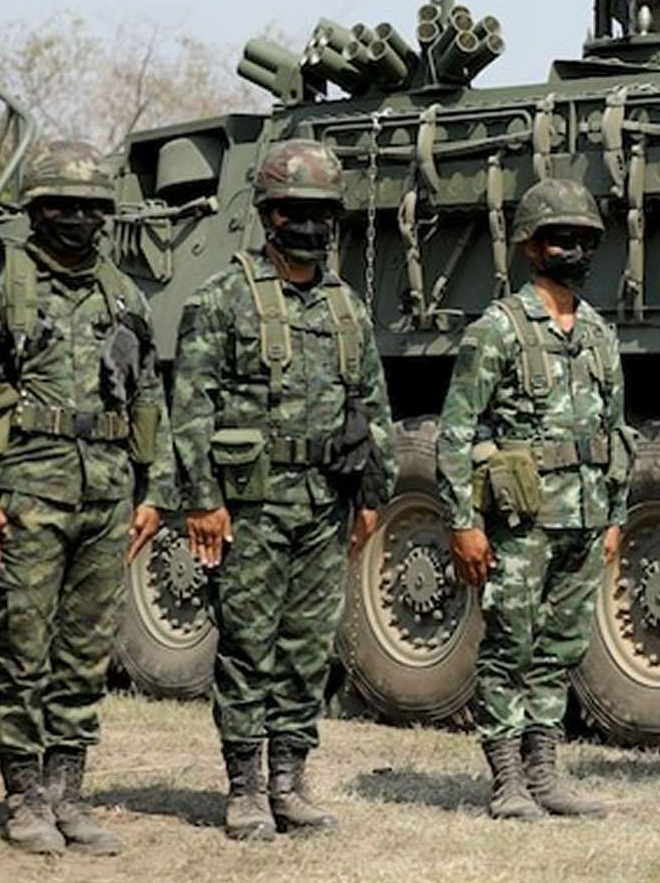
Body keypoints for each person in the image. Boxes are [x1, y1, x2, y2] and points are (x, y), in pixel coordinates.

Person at [0, 139, 174, 855]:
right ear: (36, 211)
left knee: (85, 653)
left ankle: (68, 792)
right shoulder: (4, 287)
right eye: (61, 206)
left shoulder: (122, 293)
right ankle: (24, 796)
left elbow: (149, 391)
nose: (77, 218)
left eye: (90, 207)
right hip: (25, 496)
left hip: (105, 497)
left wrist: (153, 488)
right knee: (24, 648)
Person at [168, 138, 392, 841]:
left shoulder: (347, 307)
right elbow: (192, 407)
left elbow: (374, 407)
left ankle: (290, 781)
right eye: (297, 211)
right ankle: (245, 788)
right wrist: (203, 501)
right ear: (269, 215)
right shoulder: (223, 298)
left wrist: (371, 496)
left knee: (305, 649)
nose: (312, 225)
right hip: (252, 510)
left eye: (323, 213)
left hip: (325, 507)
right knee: (248, 647)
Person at [437, 178, 633, 822]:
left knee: (560, 647)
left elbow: (617, 434)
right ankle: (507, 781)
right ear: (531, 247)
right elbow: (457, 430)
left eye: (583, 240)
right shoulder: (498, 329)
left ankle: (545, 773)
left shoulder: (601, 334)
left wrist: (617, 515)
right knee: (509, 645)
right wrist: (463, 523)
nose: (573, 250)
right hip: (522, 522)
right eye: (560, 239)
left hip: (584, 516)